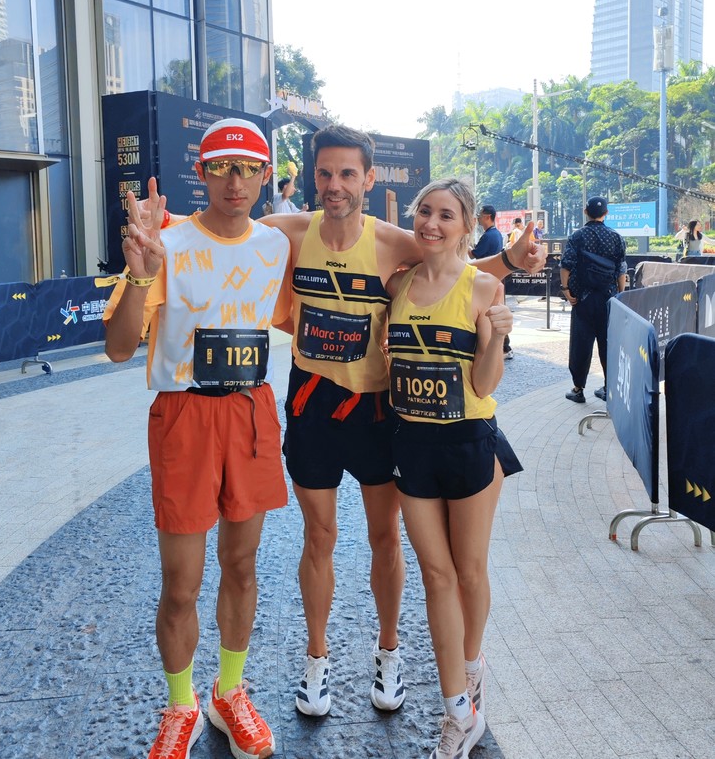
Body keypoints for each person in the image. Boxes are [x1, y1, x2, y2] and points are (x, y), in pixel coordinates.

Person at [145, 123, 544, 718]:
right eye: (325, 173)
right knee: (319, 537)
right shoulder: (288, 232)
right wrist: (160, 224)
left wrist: (512, 258)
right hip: (312, 406)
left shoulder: (390, 241)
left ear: (369, 178)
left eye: (348, 173)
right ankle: (317, 658)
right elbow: (222, 230)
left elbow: (453, 267)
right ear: (313, 177)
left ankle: (389, 650)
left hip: (377, 411)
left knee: (386, 537)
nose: (335, 184)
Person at [104, 118, 291, 759]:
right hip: (184, 415)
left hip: (250, 411)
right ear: (201, 173)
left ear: (265, 176)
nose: (234, 181)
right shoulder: (167, 243)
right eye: (220, 167)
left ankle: (229, 692)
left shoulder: (275, 246)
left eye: (248, 168)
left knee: (241, 566)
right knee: (181, 582)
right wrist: (139, 272)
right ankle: (180, 703)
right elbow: (118, 347)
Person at [385, 177, 522, 759]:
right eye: (425, 212)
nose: (431, 223)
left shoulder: (483, 287)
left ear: (467, 225)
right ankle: (458, 712)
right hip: (411, 443)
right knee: (435, 576)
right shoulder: (398, 284)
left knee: (468, 572)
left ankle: (471, 667)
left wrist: (495, 339)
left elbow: (486, 383)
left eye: (445, 214)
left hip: (468, 443)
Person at [559, 196, 627, 404]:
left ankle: (578, 389)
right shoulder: (616, 237)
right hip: (608, 299)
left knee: (581, 344)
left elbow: (566, 265)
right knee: (608, 343)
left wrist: (565, 289)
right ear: (606, 213)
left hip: (583, 299)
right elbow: (621, 270)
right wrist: (620, 295)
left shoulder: (577, 236)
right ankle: (608, 388)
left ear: (585, 212)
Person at [470, 205, 513, 361]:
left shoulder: (488, 236)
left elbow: (474, 254)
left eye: (480, 215)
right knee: (495, 313)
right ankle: (504, 346)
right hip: (495, 279)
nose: (478, 218)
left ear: (487, 216)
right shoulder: (497, 234)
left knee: (489, 315)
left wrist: (464, 243)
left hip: (486, 281)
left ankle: (502, 347)